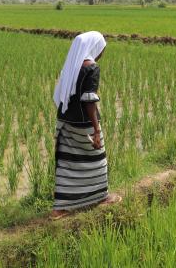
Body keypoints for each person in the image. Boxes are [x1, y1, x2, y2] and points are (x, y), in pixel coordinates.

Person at [51, 31, 120, 220]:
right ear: (94, 47)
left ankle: (59, 208)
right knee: (97, 159)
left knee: (67, 162)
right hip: (83, 122)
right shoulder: (91, 68)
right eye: (101, 49)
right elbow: (89, 100)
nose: (101, 53)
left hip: (65, 120)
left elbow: (61, 94)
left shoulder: (71, 66)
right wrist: (96, 129)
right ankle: (100, 197)